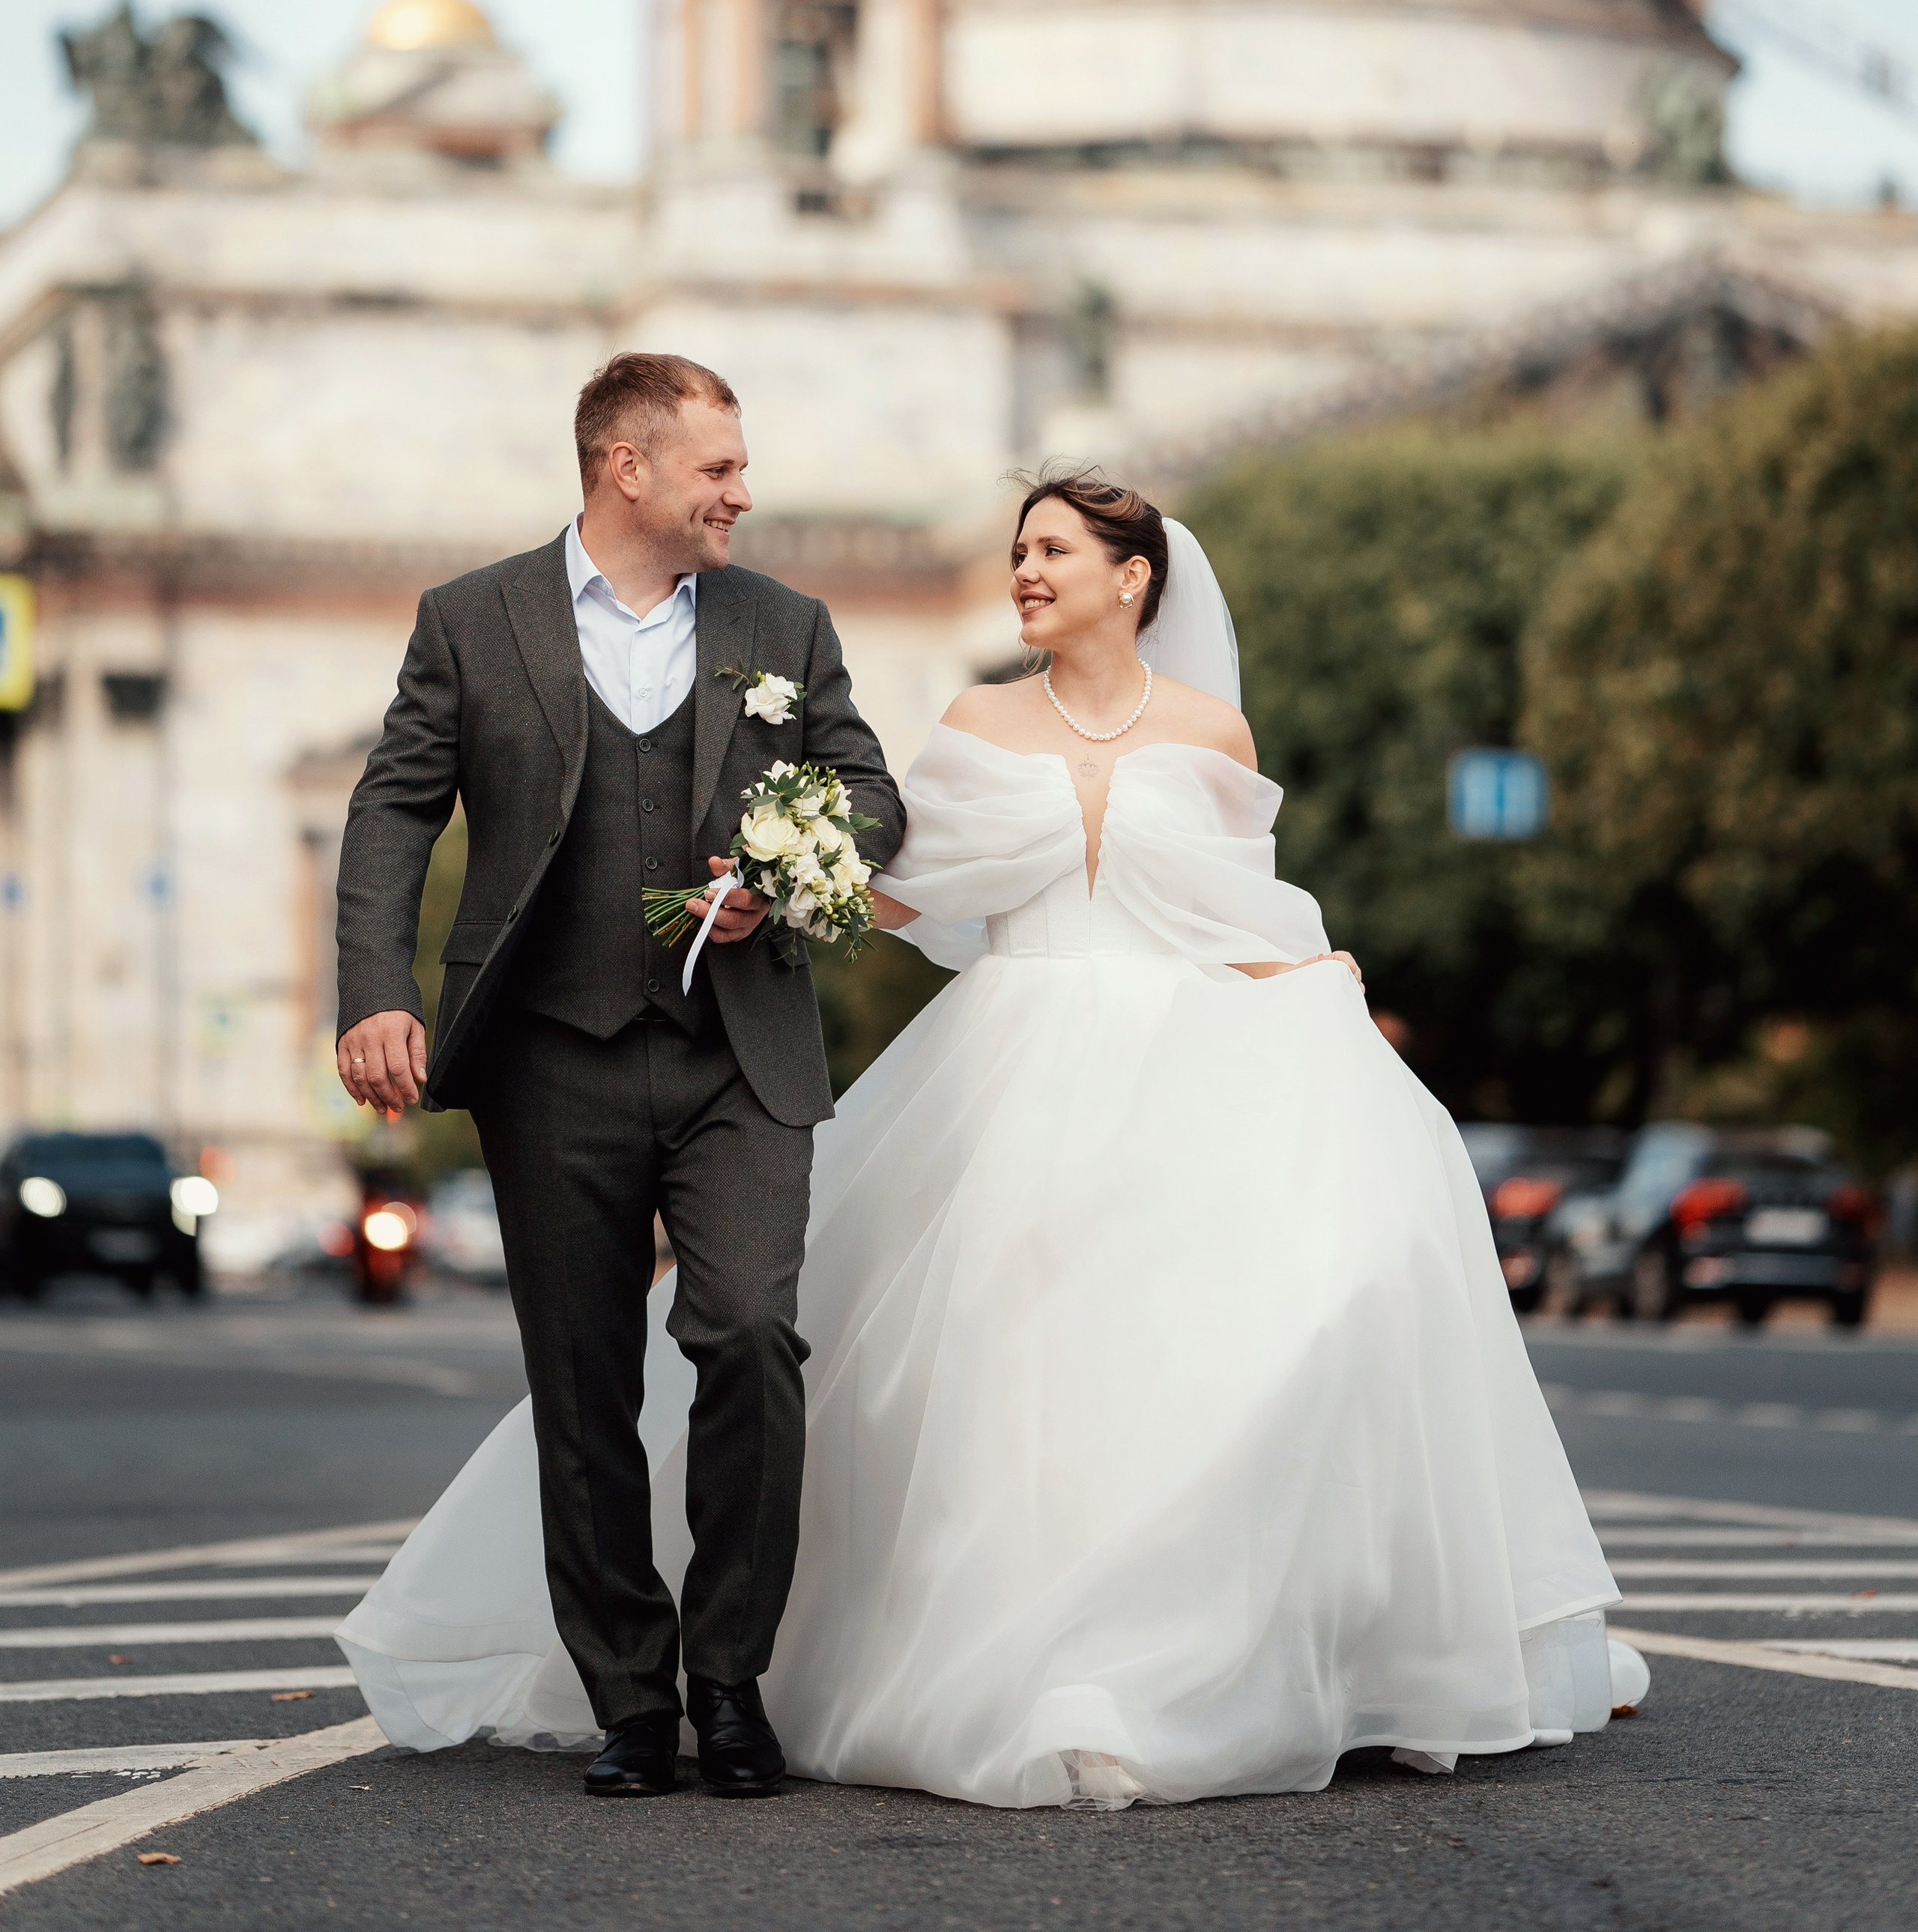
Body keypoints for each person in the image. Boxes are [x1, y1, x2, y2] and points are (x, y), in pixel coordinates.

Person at [340, 468, 1646, 1804]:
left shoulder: (1215, 730)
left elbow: (1236, 917)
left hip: (1186, 1062)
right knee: (1007, 1372)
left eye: (1054, 552)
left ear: (1133, 578)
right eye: (1019, 551)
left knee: (1251, 1336)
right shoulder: (974, 721)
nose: (1026, 572)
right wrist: (789, 882)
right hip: (1013, 1060)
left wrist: (1325, 987)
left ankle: (1228, 1649)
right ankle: (972, 1661)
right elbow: (898, 891)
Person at [331, 352, 904, 1801]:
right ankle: (631, 1699)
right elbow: (395, 806)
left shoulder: (788, 622)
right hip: (549, 1061)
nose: (742, 492)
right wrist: (374, 994)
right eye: (719, 468)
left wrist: (805, 859)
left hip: (740, 1058)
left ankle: (731, 1678)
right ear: (626, 467)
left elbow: (874, 791)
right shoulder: (472, 620)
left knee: (750, 1339)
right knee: (581, 1385)